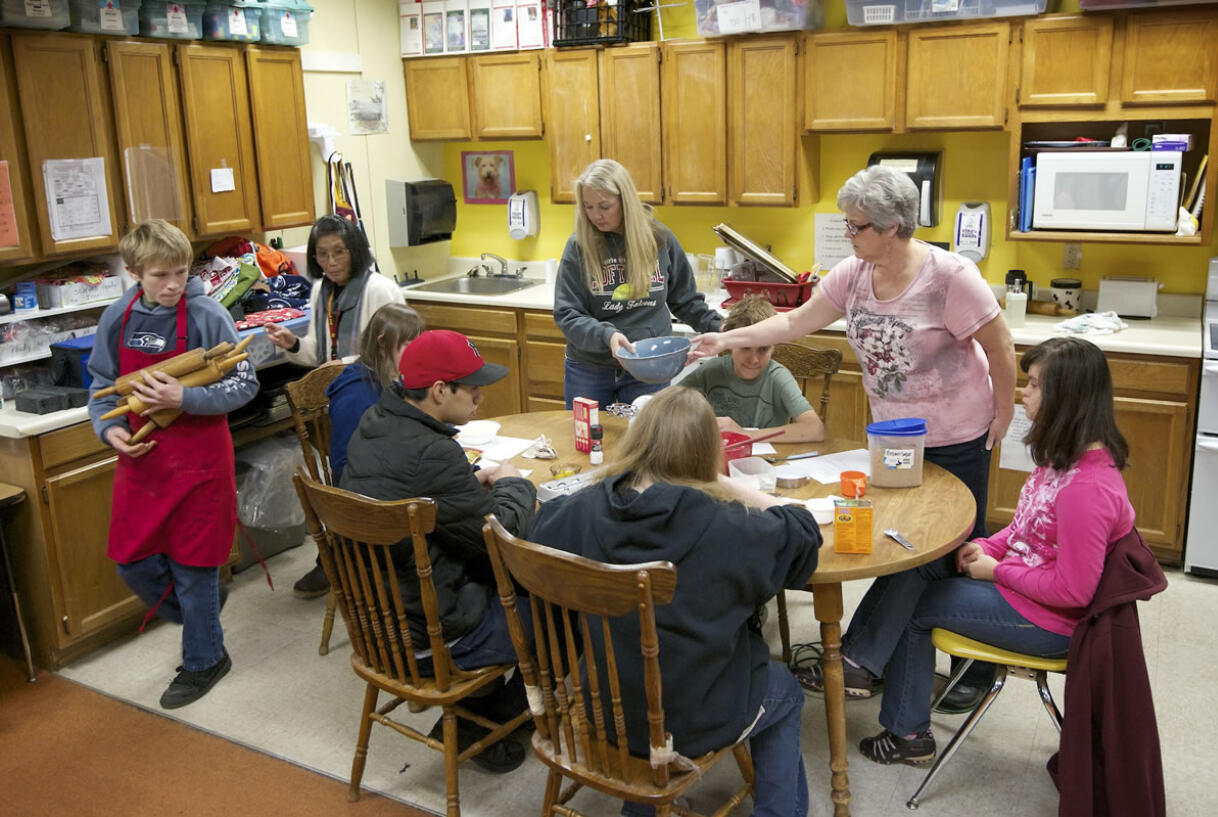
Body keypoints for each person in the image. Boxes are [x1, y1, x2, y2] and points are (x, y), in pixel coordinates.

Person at [689, 165, 1016, 707]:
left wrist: (1003, 412)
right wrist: (726, 340)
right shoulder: (854, 273)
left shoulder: (949, 277)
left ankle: (969, 671)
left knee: (956, 547)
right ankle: (881, 657)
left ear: (893, 228)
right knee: (905, 545)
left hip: (958, 431)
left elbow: (1000, 346)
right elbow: (794, 323)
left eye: (858, 226)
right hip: (894, 436)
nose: (849, 234)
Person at [526, 386, 820, 817]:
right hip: (693, 715)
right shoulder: (730, 528)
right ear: (708, 454)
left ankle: (642, 804)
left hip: (603, 706)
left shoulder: (585, 510)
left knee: (639, 669)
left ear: (638, 441)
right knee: (786, 691)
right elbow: (802, 529)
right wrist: (720, 481)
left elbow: (536, 536)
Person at [841, 337, 1135, 766]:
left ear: (1066, 398)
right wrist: (986, 545)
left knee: (914, 609)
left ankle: (906, 732)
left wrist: (996, 571)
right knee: (923, 565)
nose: (1024, 392)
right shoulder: (1062, 457)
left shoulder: (1086, 490)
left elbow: (1075, 592)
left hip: (1054, 622)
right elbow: (1025, 527)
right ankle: (860, 661)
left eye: (1034, 385)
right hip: (1028, 590)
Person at [340, 329, 537, 773]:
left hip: (378, 622)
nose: (480, 398)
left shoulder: (376, 422)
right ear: (439, 390)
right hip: (431, 637)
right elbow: (501, 536)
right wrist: (513, 484)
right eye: (473, 388)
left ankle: (477, 714)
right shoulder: (433, 452)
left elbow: (428, 495)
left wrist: (466, 486)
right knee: (563, 606)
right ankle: (486, 722)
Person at [87, 219, 259, 709]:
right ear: (133, 272)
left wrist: (184, 396)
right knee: (132, 562)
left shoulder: (206, 314)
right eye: (161, 275)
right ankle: (202, 611)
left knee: (194, 564)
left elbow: (243, 385)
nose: (173, 285)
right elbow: (99, 386)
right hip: (144, 462)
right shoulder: (116, 319)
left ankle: (205, 659)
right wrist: (110, 429)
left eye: (181, 272)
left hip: (201, 463)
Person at [554, 158, 723, 409]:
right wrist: (607, 335)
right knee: (586, 442)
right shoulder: (578, 246)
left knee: (646, 443)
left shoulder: (660, 240)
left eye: (605, 206)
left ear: (626, 201)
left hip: (649, 367)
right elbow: (567, 313)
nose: (596, 216)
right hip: (590, 368)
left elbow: (685, 301)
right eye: (588, 207)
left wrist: (722, 328)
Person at [291, 302, 425, 598]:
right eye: (410, 345)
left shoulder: (393, 378)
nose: (419, 354)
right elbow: (347, 465)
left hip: (390, 478)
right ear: (382, 344)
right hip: (365, 499)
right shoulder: (356, 393)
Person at [680, 295, 824, 443]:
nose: (754, 360)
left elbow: (815, 429)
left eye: (763, 349)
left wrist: (744, 435)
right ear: (729, 343)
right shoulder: (711, 370)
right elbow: (667, 403)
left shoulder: (778, 377)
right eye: (745, 348)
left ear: (774, 346)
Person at [264, 214, 403, 366]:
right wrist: (294, 344)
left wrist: (343, 364)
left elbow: (391, 353)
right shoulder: (321, 290)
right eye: (322, 254)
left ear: (355, 251)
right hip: (337, 384)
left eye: (339, 252)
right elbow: (319, 354)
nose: (331, 262)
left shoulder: (379, 289)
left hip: (375, 386)